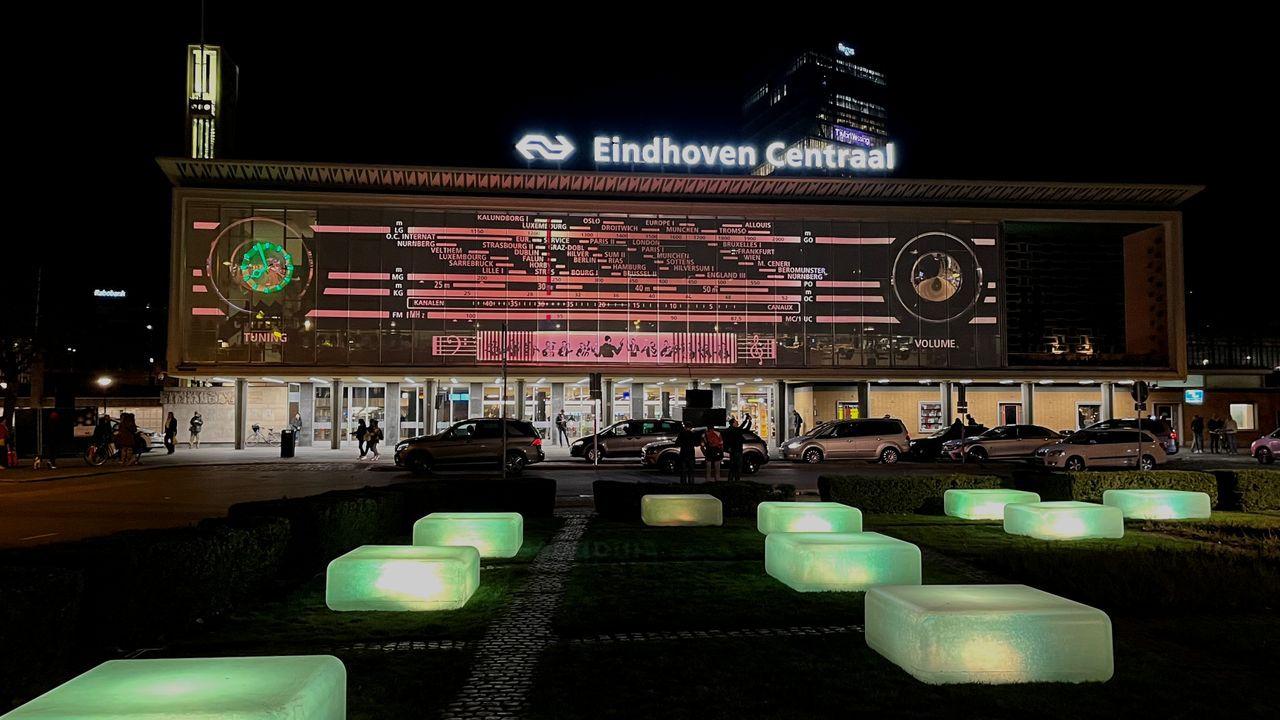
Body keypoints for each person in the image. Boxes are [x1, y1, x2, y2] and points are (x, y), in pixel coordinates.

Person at [723, 414, 753, 482]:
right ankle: (737, 480)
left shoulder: (728, 431)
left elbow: (742, 427)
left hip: (732, 451)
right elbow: (745, 429)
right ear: (733, 423)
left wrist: (746, 420)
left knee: (732, 467)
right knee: (738, 467)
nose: (737, 423)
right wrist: (748, 421)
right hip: (738, 450)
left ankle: (730, 480)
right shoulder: (736, 430)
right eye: (736, 422)